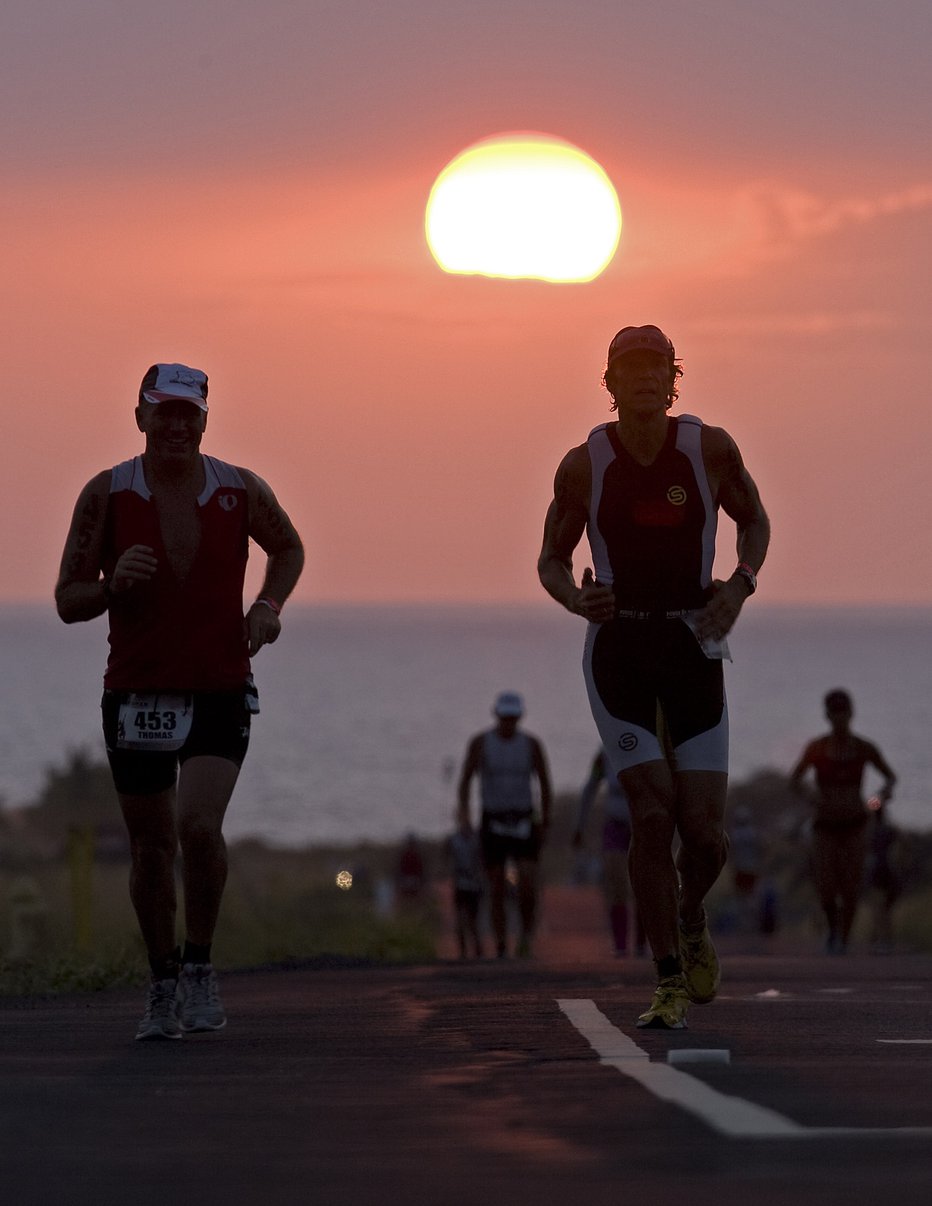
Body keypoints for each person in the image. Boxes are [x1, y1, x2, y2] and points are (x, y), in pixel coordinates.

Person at [55, 362, 305, 1040]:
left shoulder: (239, 488)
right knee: (149, 847)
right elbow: (67, 600)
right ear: (139, 417)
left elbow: (288, 549)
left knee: (198, 828)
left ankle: (199, 968)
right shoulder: (105, 494)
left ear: (204, 419)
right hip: (135, 692)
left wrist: (267, 605)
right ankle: (161, 981)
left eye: (187, 413)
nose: (175, 425)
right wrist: (110, 586)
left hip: (220, 685)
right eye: (162, 412)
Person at [537, 324, 770, 1029]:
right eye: (628, 367)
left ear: (675, 378)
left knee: (703, 837)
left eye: (656, 366)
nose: (643, 377)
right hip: (619, 648)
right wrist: (576, 598)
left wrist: (740, 583)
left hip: (694, 641)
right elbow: (550, 559)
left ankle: (690, 914)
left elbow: (754, 522)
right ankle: (667, 977)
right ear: (607, 382)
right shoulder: (584, 465)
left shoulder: (711, 450)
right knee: (650, 812)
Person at [790, 689, 897, 954]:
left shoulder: (863, 748)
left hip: (855, 824)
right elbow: (795, 780)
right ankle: (832, 931)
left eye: (843, 712)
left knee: (851, 885)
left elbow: (890, 777)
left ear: (851, 714)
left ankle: (843, 939)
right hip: (825, 825)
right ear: (827, 715)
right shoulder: (816, 747)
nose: (839, 718)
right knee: (826, 884)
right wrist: (811, 796)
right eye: (834, 713)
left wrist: (880, 797)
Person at [456, 692, 552, 958]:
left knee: (528, 883)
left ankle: (525, 936)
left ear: (519, 717)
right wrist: (464, 814)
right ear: (496, 715)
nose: (508, 723)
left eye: (513, 718)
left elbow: (544, 782)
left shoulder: (531, 745)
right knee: (496, 885)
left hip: (523, 819)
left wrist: (546, 819)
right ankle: (500, 942)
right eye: (504, 717)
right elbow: (465, 780)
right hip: (493, 820)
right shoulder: (480, 743)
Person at [573, 749, 645, 958]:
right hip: (615, 826)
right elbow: (590, 788)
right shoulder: (605, 754)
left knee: (643, 885)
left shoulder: (649, 745)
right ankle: (621, 943)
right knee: (617, 884)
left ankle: (642, 942)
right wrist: (579, 825)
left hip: (642, 825)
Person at [445, 816, 485, 959]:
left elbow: (482, 861)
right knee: (461, 919)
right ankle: (463, 951)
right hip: (460, 885)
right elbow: (446, 857)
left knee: (473, 920)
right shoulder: (454, 840)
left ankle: (477, 949)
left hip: (474, 885)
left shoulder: (477, 841)